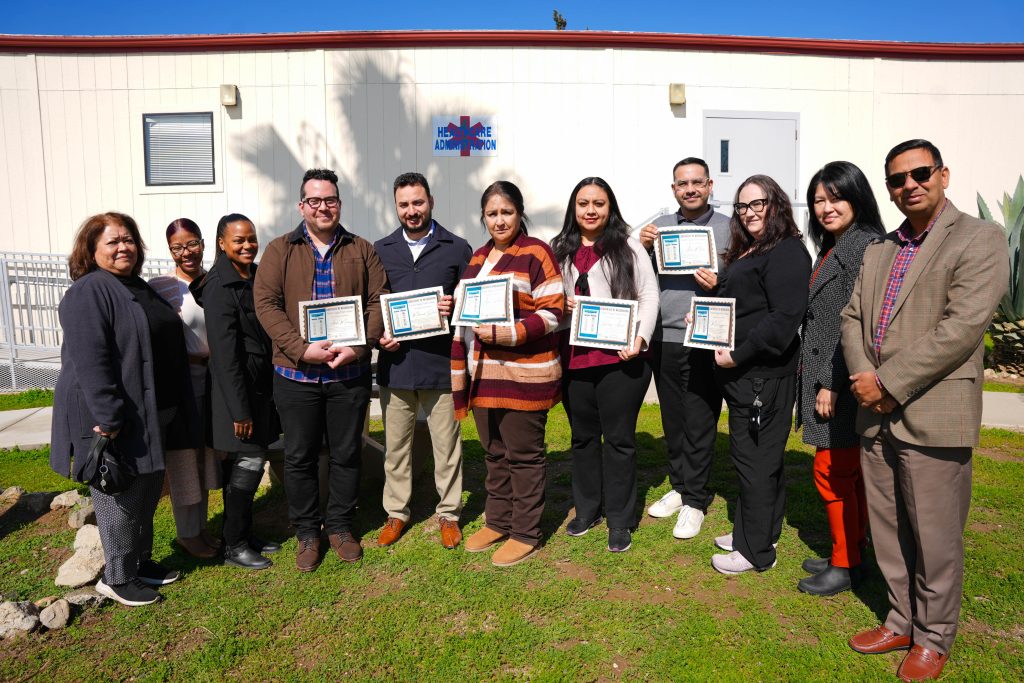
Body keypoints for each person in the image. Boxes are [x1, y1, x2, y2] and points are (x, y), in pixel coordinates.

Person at [841, 140, 1008, 681]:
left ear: (943, 175)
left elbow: (962, 327)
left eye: (919, 173)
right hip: (875, 413)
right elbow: (851, 318)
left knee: (936, 537)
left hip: (934, 409)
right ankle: (900, 618)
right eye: (896, 179)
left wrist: (888, 382)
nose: (908, 184)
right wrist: (867, 381)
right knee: (888, 529)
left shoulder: (982, 238)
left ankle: (935, 637)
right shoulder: (878, 249)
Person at [51, 212, 198, 606]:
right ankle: (115, 577)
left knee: (147, 490)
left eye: (129, 239)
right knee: (118, 497)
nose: (124, 247)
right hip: (112, 417)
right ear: (91, 249)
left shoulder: (135, 286)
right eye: (113, 241)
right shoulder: (89, 292)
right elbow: (90, 361)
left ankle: (139, 562)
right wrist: (108, 417)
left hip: (149, 412)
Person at [254, 168, 387, 572]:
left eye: (329, 199)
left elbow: (379, 301)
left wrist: (359, 347)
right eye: (314, 200)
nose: (322, 207)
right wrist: (300, 349)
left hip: (348, 375)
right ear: (302, 206)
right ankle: (308, 532)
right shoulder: (280, 250)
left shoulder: (361, 248)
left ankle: (341, 526)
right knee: (299, 457)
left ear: (339, 204)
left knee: (347, 453)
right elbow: (266, 305)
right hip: (297, 376)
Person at [452, 180, 564, 567]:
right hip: (482, 373)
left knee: (524, 455)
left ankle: (526, 532)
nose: (499, 220)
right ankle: (498, 520)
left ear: (520, 213)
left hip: (525, 375)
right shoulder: (478, 258)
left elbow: (553, 311)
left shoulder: (537, 253)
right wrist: (453, 309)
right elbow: (468, 313)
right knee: (494, 453)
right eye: (492, 213)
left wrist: (508, 332)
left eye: (507, 212)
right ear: (483, 217)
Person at [709, 175, 811, 575]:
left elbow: (783, 318)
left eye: (758, 203)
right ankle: (757, 531)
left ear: (776, 204)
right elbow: (744, 304)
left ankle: (754, 552)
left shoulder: (786, 251)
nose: (749, 212)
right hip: (750, 375)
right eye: (742, 206)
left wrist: (738, 354)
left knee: (753, 460)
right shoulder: (756, 248)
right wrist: (704, 317)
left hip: (762, 375)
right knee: (761, 459)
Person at [551, 177, 659, 552]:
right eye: (583, 203)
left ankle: (620, 518)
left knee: (618, 440)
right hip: (575, 359)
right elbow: (548, 298)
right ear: (574, 208)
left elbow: (649, 294)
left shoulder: (628, 245)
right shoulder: (559, 248)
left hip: (620, 360)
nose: (591, 210)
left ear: (610, 207)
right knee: (582, 439)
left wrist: (640, 338)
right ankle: (586, 509)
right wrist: (557, 304)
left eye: (599, 203)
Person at [794, 162, 886, 596]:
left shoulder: (865, 248)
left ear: (858, 197)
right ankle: (850, 550)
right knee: (847, 472)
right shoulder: (834, 246)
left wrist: (832, 381)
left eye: (836, 197)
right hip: (826, 374)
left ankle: (846, 563)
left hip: (842, 378)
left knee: (833, 471)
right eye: (818, 200)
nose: (826, 208)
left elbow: (858, 324)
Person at [374, 173, 473, 549]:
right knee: (396, 448)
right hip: (396, 364)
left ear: (431, 200)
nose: (411, 211)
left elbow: (472, 299)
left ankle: (449, 514)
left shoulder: (457, 247)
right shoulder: (380, 249)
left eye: (418, 203)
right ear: (395, 206)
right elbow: (373, 303)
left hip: (440, 364)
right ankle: (396, 513)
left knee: (447, 447)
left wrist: (455, 305)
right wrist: (379, 332)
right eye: (404, 204)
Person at [638, 158, 731, 540]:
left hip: (705, 337)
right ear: (673, 188)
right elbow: (638, 278)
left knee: (700, 419)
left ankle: (696, 498)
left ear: (709, 185)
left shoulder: (729, 228)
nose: (690, 189)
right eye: (682, 183)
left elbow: (742, 277)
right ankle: (680, 485)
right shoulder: (658, 228)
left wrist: (719, 281)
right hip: (665, 336)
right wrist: (641, 248)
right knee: (673, 418)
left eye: (697, 182)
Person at [191, 214, 282, 570]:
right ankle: (235, 545)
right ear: (221, 243)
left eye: (251, 239)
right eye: (239, 240)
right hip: (237, 397)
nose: (247, 246)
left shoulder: (256, 276)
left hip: (260, 388)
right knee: (248, 463)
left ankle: (244, 533)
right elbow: (226, 357)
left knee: (250, 465)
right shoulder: (218, 286)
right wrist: (239, 412)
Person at [148, 218, 221, 560]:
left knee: (206, 457)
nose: (186, 252)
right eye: (178, 247)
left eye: (192, 243)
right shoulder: (161, 287)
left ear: (204, 243)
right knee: (183, 462)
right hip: (182, 383)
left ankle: (201, 527)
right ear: (170, 251)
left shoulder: (217, 281)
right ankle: (187, 533)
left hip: (215, 381)